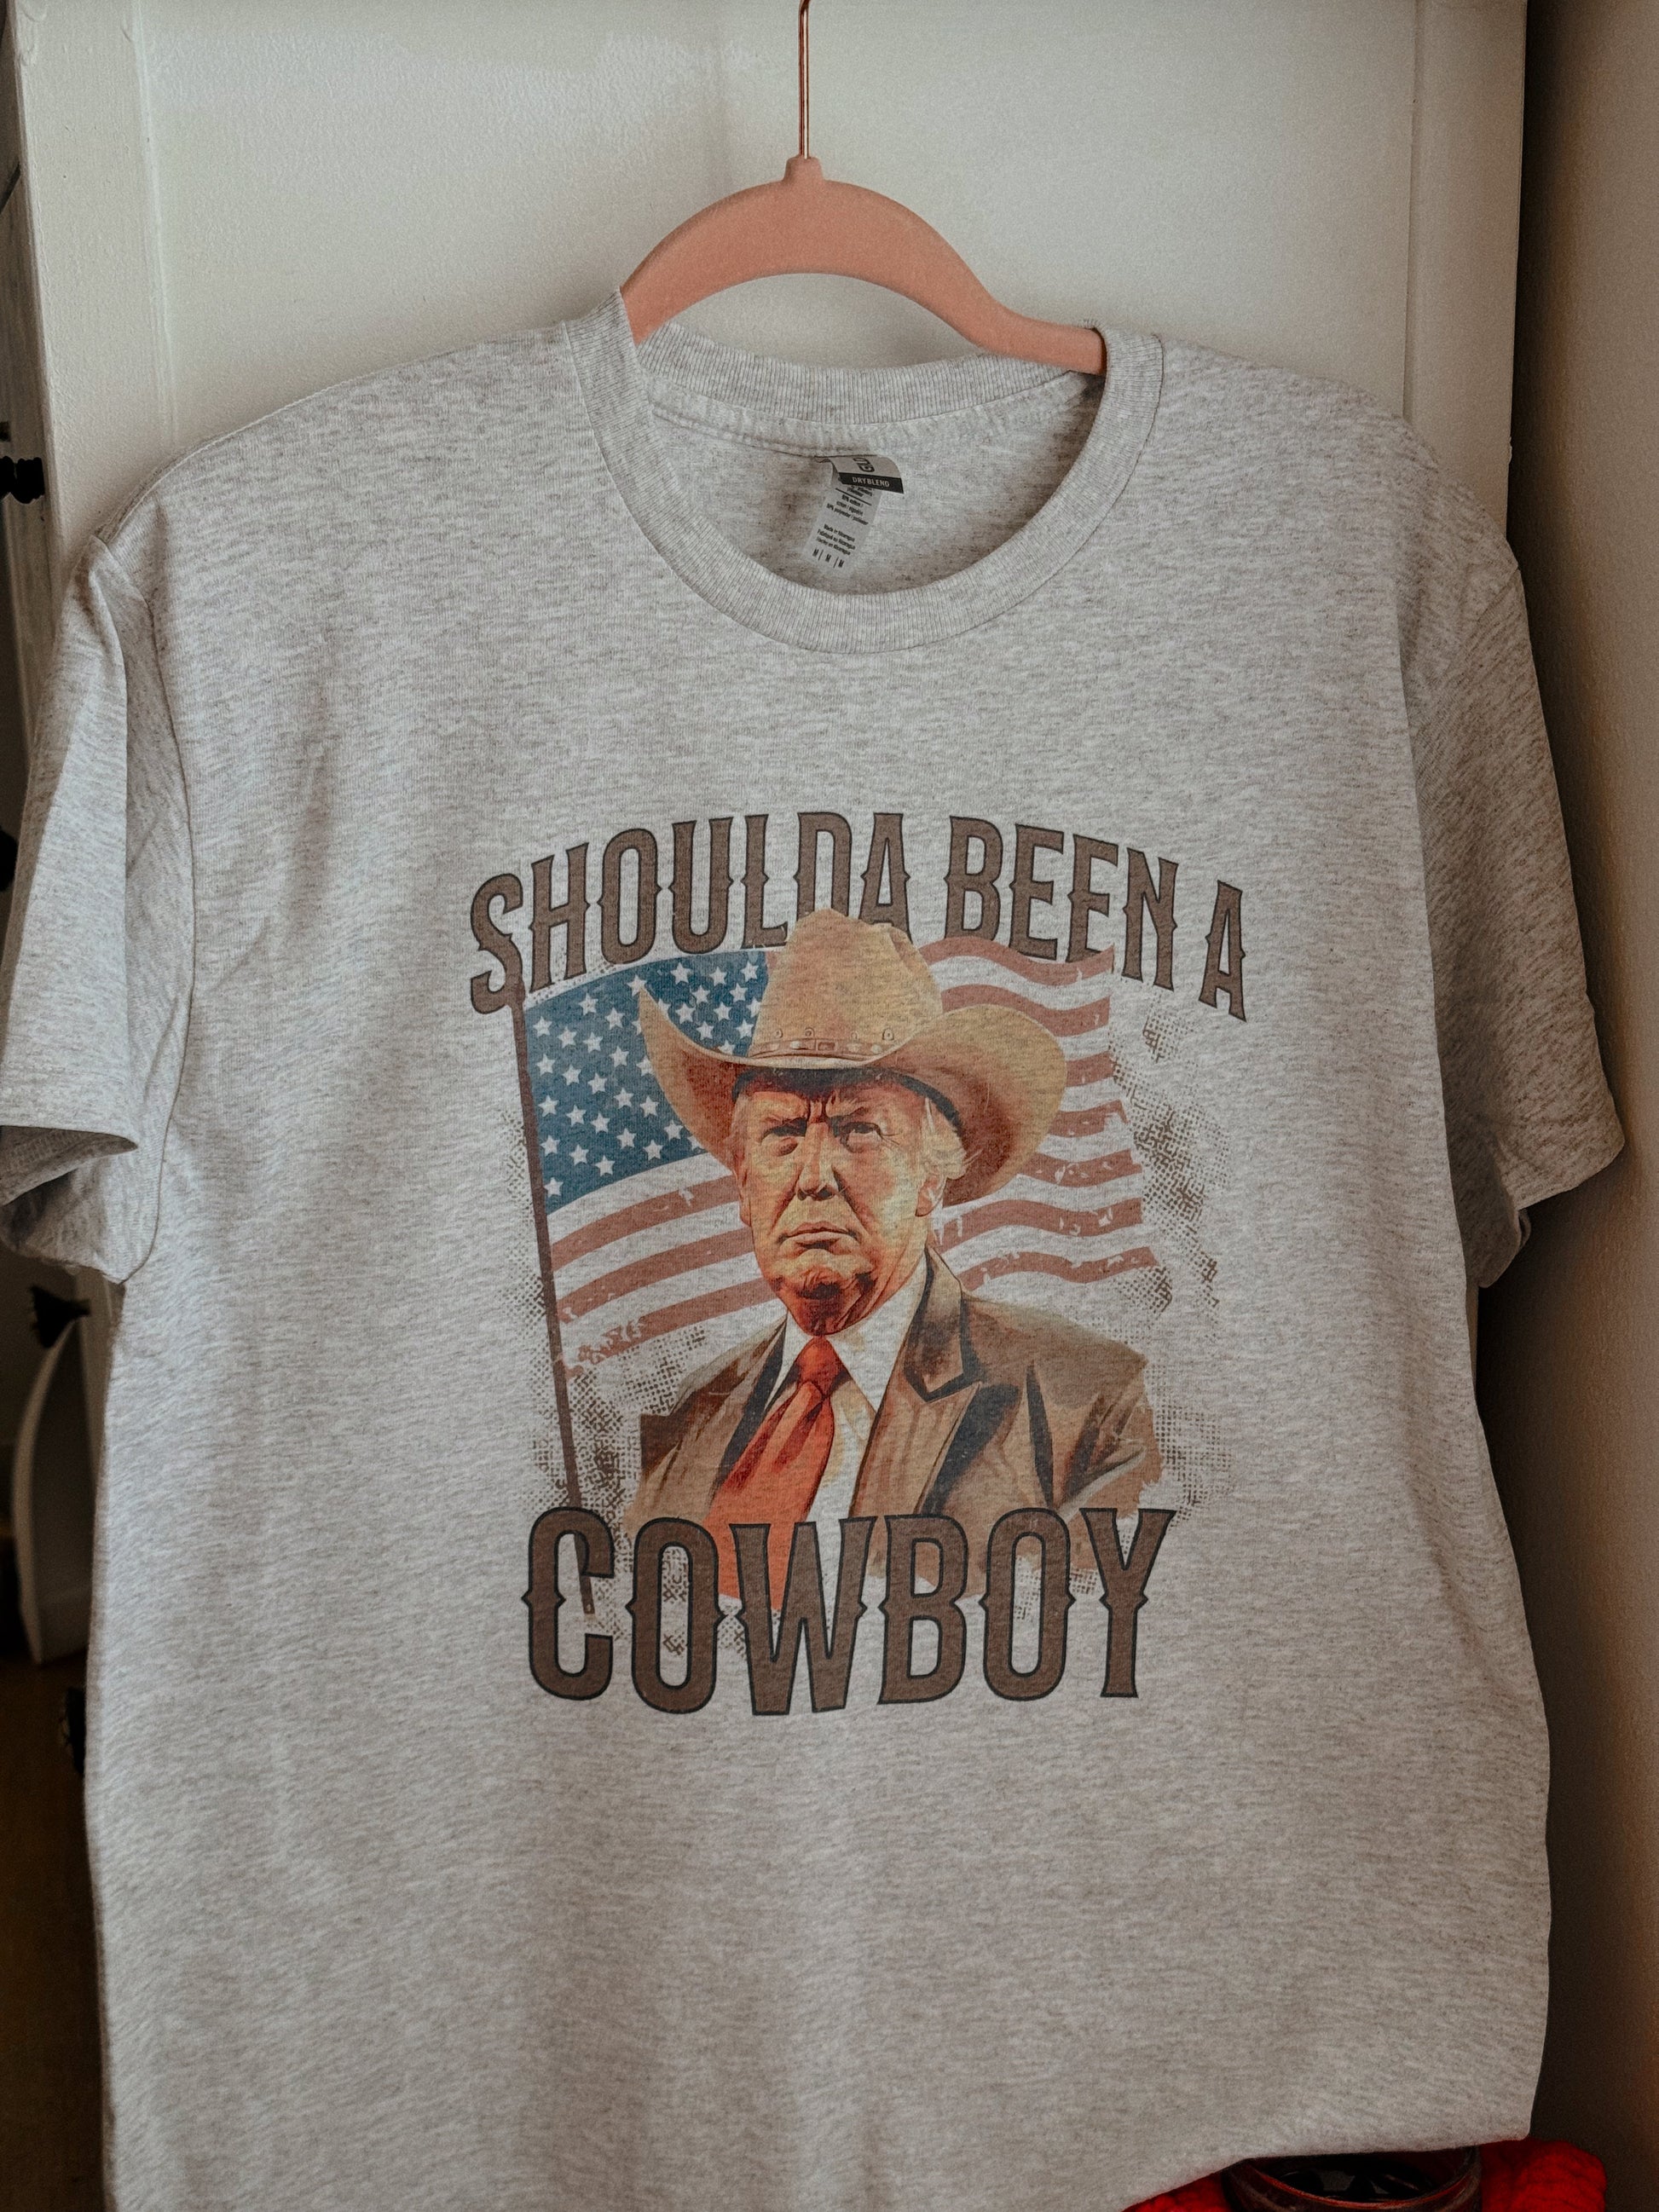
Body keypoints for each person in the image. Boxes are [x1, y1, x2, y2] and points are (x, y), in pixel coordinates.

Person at [628, 908, 1160, 1596]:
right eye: (784, 1133)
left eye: (859, 1130)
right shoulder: (684, 1428)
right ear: (743, 1181)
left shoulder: (1086, 1407)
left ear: (932, 1175)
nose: (813, 1175)